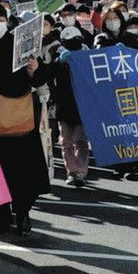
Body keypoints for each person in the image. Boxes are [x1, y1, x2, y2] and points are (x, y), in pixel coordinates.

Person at [0, 2, 50, 235]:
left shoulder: (22, 45)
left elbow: (39, 80)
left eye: (1, 20)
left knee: (24, 173)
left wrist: (34, 69)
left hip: (20, 119)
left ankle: (23, 212)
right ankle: (1, 215)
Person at [51, 25, 90, 186]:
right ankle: (71, 171)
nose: (74, 44)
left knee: (81, 140)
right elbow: (51, 75)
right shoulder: (59, 55)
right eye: (70, 41)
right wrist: (60, 62)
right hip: (64, 104)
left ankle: (81, 171)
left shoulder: (88, 54)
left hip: (83, 105)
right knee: (66, 141)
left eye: (77, 40)